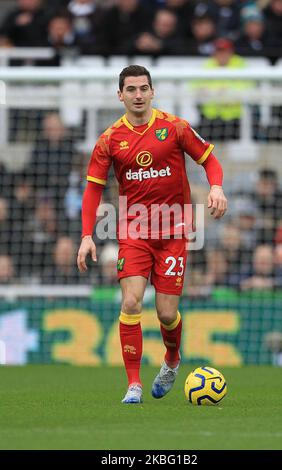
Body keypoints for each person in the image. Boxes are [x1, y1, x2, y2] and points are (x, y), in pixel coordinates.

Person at [77, 65, 227, 404]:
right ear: (120, 95)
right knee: (130, 301)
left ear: (152, 91)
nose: (138, 95)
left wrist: (216, 187)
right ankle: (134, 384)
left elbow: (210, 160)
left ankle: (172, 360)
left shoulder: (174, 127)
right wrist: (87, 235)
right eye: (131, 89)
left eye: (144, 88)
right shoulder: (109, 140)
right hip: (134, 231)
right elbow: (92, 191)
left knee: (165, 313)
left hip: (174, 231)